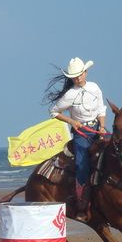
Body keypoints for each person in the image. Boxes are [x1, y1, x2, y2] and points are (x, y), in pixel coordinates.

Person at [45, 57, 107, 222]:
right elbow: (53, 111)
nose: (78, 78)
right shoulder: (70, 94)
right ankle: (82, 204)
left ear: (85, 72)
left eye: (80, 74)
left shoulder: (95, 88)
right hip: (81, 134)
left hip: (97, 129)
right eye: (74, 76)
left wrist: (102, 127)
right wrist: (71, 121)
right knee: (82, 165)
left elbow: (101, 108)